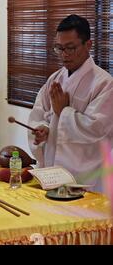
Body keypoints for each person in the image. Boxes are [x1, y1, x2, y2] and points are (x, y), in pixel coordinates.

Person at [28, 14, 113, 193]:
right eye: (59, 48)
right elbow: (39, 113)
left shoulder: (104, 83)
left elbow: (97, 129)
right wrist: (42, 129)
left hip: (87, 175)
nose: (64, 55)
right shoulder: (55, 79)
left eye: (70, 48)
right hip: (53, 170)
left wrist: (63, 112)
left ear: (88, 45)